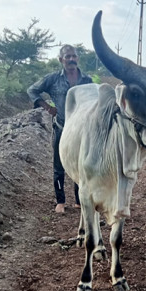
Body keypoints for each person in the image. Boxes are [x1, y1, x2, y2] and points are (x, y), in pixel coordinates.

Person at [27, 45, 93, 213]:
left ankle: (79, 200)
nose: (71, 59)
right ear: (61, 59)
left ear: (77, 58)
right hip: (62, 127)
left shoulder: (87, 80)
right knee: (59, 164)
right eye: (67, 57)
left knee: (80, 164)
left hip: (82, 129)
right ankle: (60, 201)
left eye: (74, 56)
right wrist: (47, 106)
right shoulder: (53, 79)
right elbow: (32, 90)